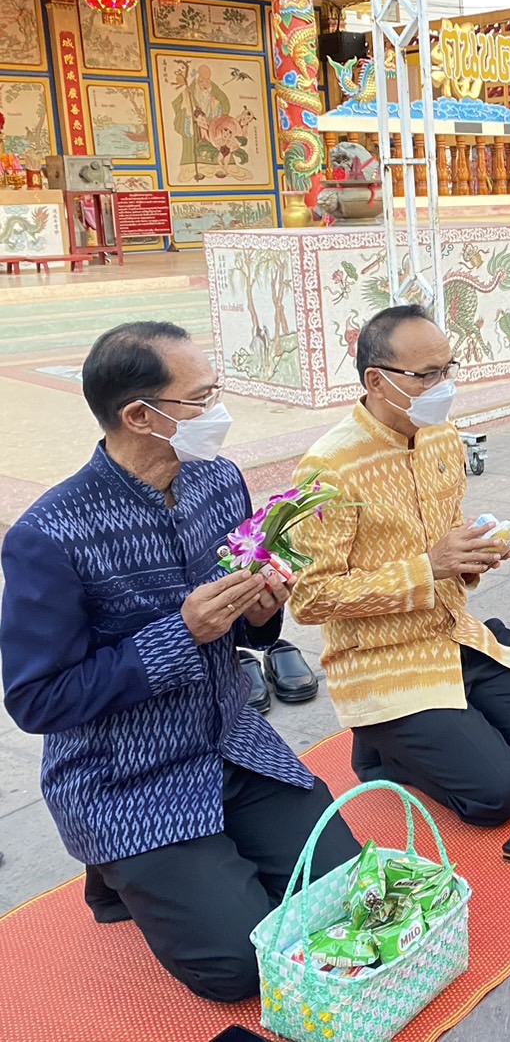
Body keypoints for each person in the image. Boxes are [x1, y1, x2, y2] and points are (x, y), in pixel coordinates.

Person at [0, 322, 358, 1002]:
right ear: (140, 415)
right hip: (128, 777)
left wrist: (260, 609)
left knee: (347, 890)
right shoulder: (49, 535)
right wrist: (180, 633)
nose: (217, 413)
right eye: (201, 398)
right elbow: (35, 699)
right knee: (238, 967)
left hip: (233, 742)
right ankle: (125, 868)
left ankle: (175, 872)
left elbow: (250, 625)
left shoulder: (219, 481)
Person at [287, 305, 510, 827]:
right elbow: (309, 598)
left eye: (448, 369)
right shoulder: (328, 466)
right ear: (376, 381)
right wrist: (428, 568)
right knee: (498, 796)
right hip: (381, 657)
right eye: (427, 375)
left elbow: (448, 545)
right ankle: (382, 748)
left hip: (454, 634)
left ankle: (449, 727)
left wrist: (476, 554)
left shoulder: (443, 437)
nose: (445, 385)